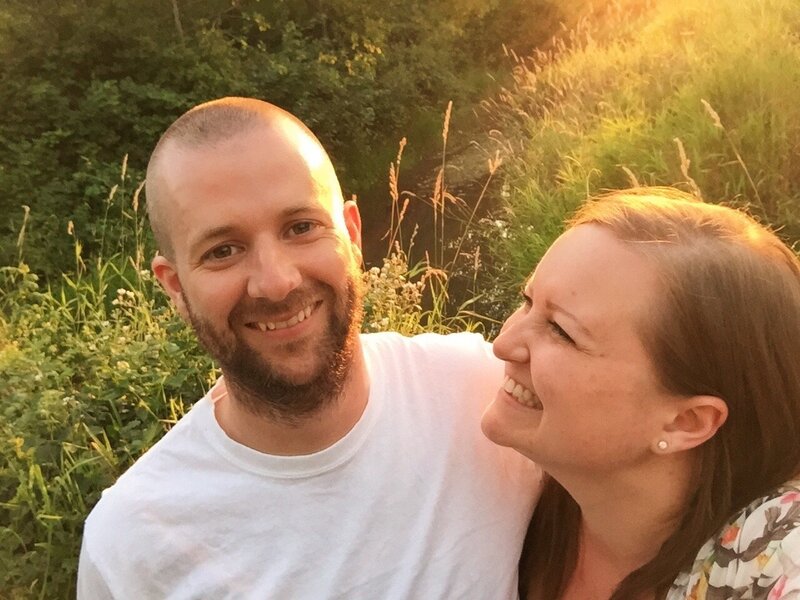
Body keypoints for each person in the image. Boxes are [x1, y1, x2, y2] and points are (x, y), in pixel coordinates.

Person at [77, 97, 540, 598]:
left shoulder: (486, 397)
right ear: (175, 287)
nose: (276, 283)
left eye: (301, 227)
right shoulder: (133, 542)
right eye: (223, 251)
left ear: (354, 235)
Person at [481, 188, 800, 600]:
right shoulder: (509, 492)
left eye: (561, 331)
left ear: (687, 422)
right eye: (526, 303)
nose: (502, 345)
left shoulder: (775, 559)